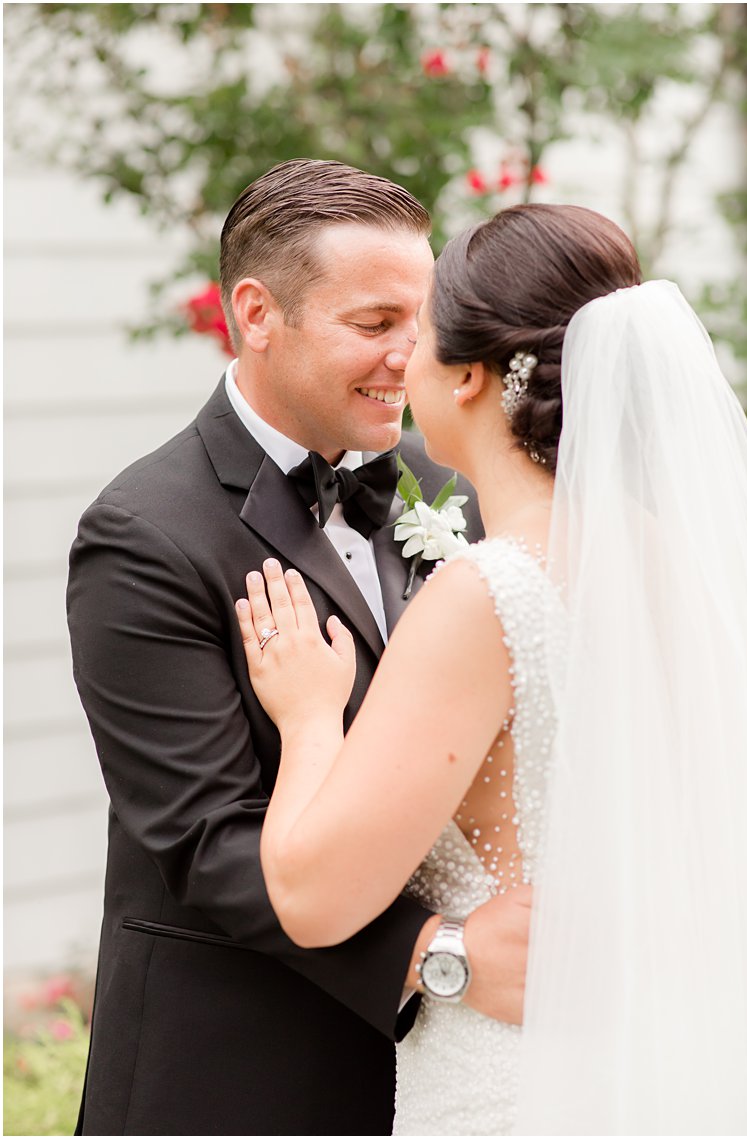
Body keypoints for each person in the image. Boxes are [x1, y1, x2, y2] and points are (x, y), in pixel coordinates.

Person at [235, 203, 747, 1133]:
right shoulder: (676, 562)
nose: (402, 360)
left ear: (471, 375)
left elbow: (313, 900)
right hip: (646, 1063)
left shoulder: (490, 592)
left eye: (421, 334)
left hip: (516, 1082)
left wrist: (312, 717)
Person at [66, 159, 531, 1136]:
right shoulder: (143, 533)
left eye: (424, 319)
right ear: (256, 312)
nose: (412, 356)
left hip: (451, 1072)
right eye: (373, 324)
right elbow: (207, 839)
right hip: (239, 1068)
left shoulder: (446, 482)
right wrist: (441, 954)